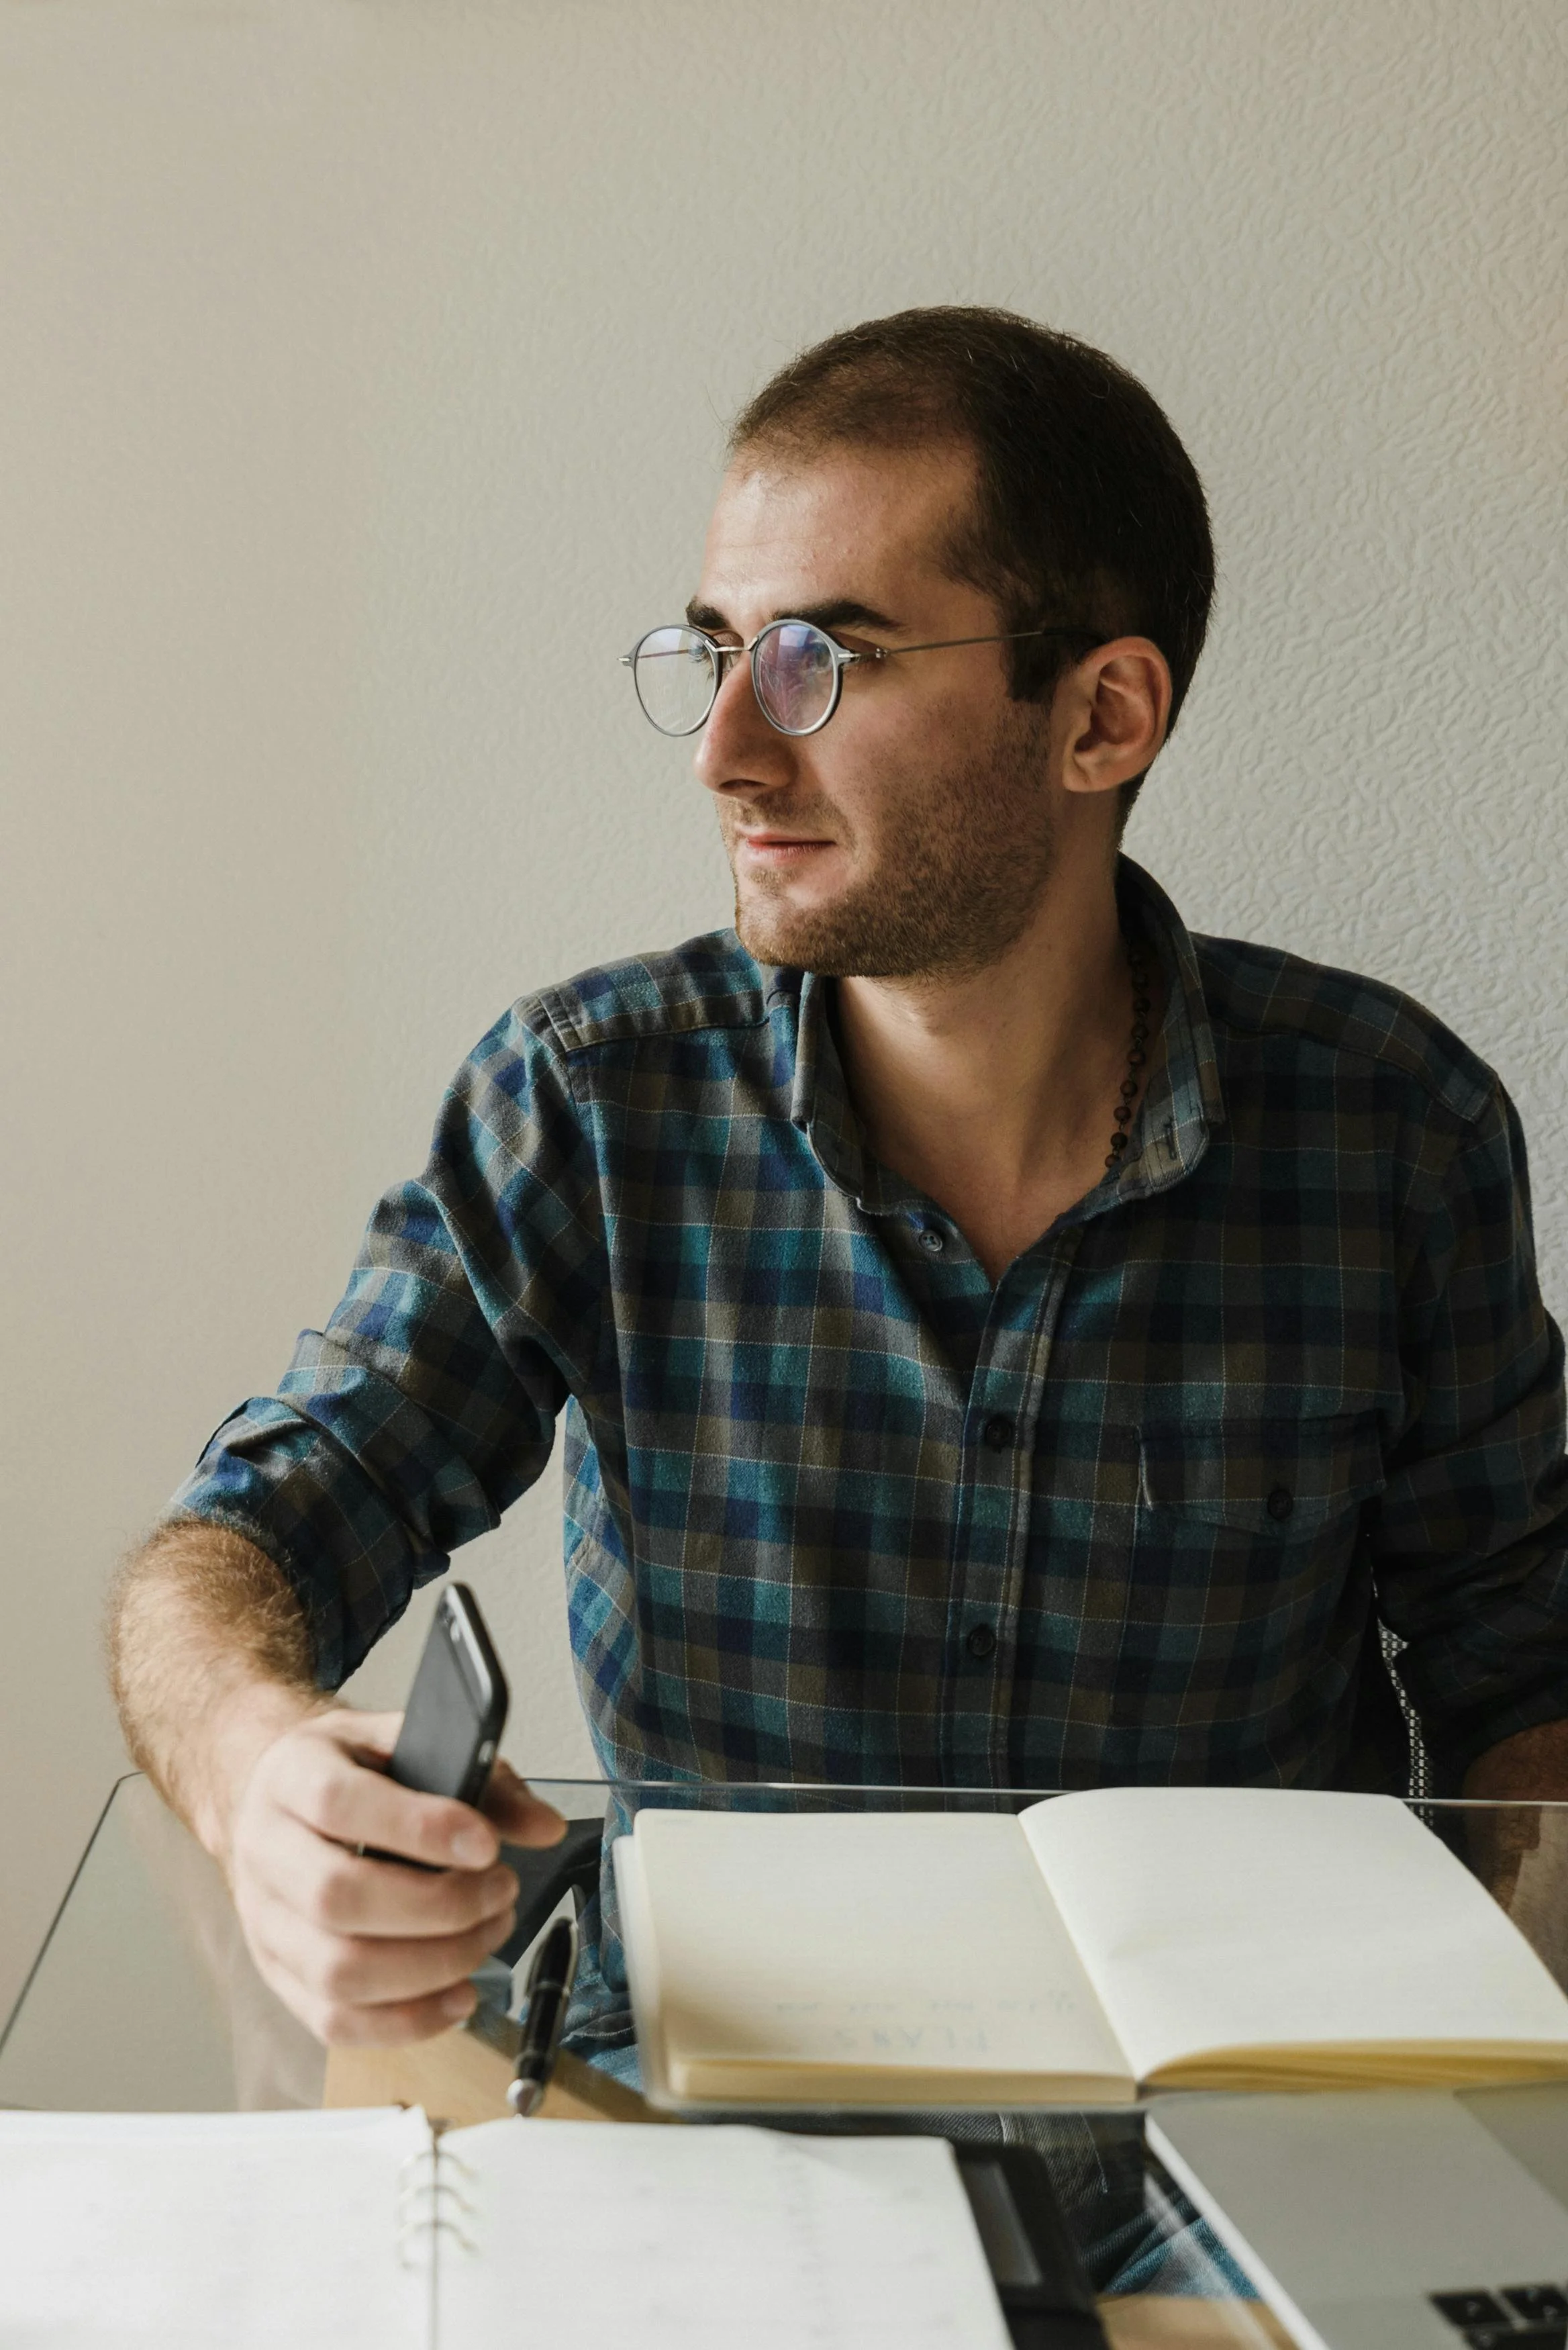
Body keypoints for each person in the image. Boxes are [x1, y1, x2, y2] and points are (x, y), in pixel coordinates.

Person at [111, 307, 1568, 2065]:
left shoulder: (1392, 1131)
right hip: (722, 2122)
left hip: (1237, 2138)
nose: (726, 749)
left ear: (1101, 713)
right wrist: (258, 1770)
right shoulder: (589, 1103)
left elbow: (1522, 1656)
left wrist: (1483, 2056)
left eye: (821, 658)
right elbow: (248, 1533)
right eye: (714, 649)